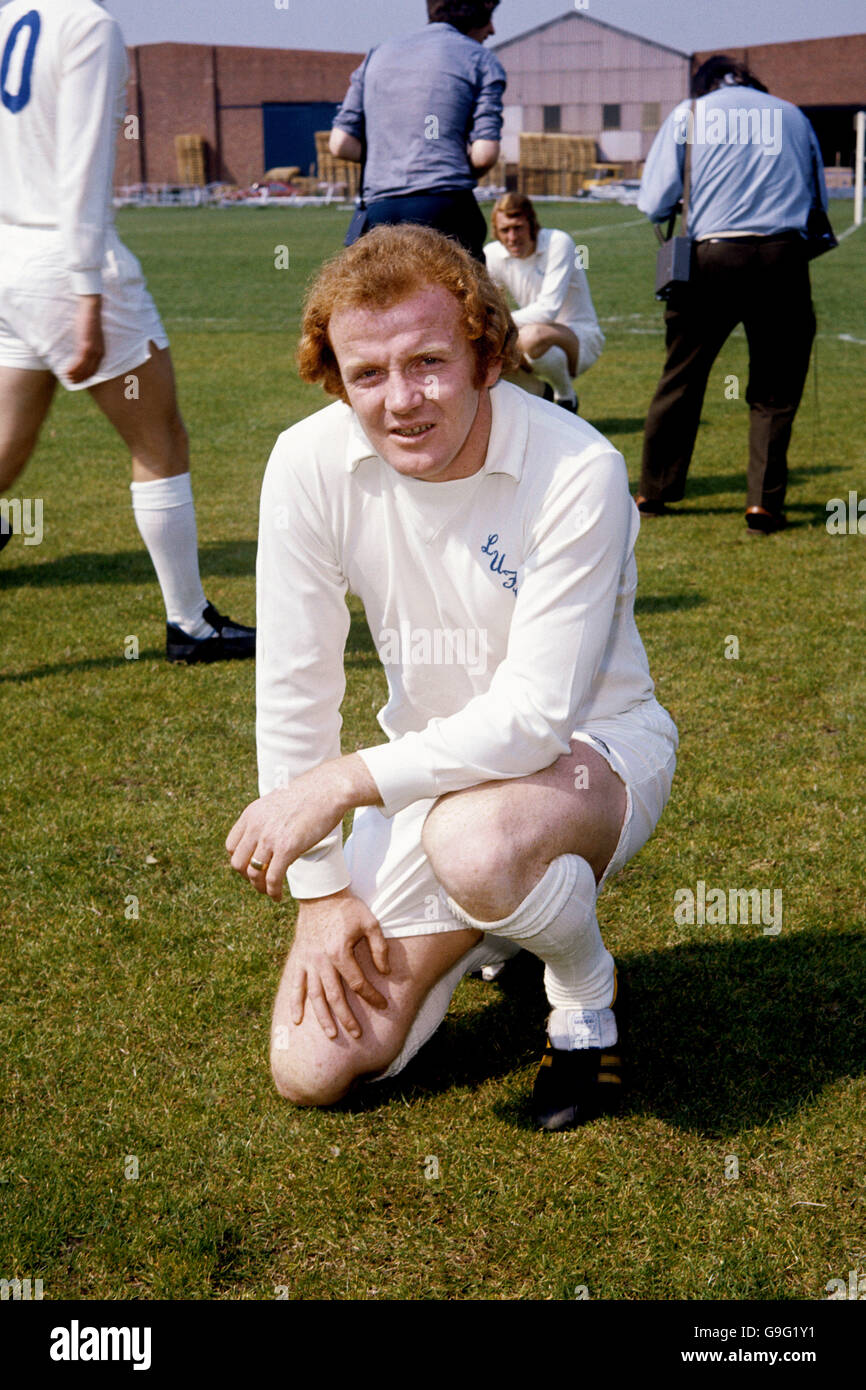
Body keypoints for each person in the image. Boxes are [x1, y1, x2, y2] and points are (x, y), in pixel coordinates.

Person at [226, 224, 678, 1132]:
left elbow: (533, 720)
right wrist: (319, 894)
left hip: (592, 755)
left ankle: (584, 992)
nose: (401, 401)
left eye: (429, 361)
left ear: (487, 354)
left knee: (475, 843)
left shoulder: (578, 468)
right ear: (335, 379)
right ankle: (501, 918)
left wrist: (344, 783)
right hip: (428, 781)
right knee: (311, 1067)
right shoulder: (306, 465)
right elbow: (293, 687)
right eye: (368, 375)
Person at [0, 0, 254, 661]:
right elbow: (83, 162)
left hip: (7, 257)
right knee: (160, 436)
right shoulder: (87, 24)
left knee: (7, 441)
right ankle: (191, 625)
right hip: (64, 260)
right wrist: (87, 284)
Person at [636, 54, 827, 534]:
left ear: (703, 84)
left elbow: (653, 201)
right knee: (775, 389)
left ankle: (655, 490)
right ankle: (763, 502)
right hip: (782, 257)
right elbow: (817, 202)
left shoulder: (689, 113)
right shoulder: (792, 114)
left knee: (682, 377)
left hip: (711, 258)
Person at [328, 0, 505, 262]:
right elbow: (484, 155)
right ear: (477, 16)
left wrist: (389, 157)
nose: (492, 29)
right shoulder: (481, 60)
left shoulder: (377, 55)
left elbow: (340, 144)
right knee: (468, 299)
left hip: (380, 211)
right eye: (490, 17)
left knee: (385, 298)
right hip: (445, 206)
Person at [484, 193, 605, 414]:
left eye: (518, 227)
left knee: (532, 337)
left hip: (580, 339)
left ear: (531, 224)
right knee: (485, 350)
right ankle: (541, 394)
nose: (512, 237)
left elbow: (549, 309)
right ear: (496, 232)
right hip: (531, 338)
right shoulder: (492, 254)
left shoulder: (558, 242)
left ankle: (566, 397)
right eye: (505, 230)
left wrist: (497, 322)